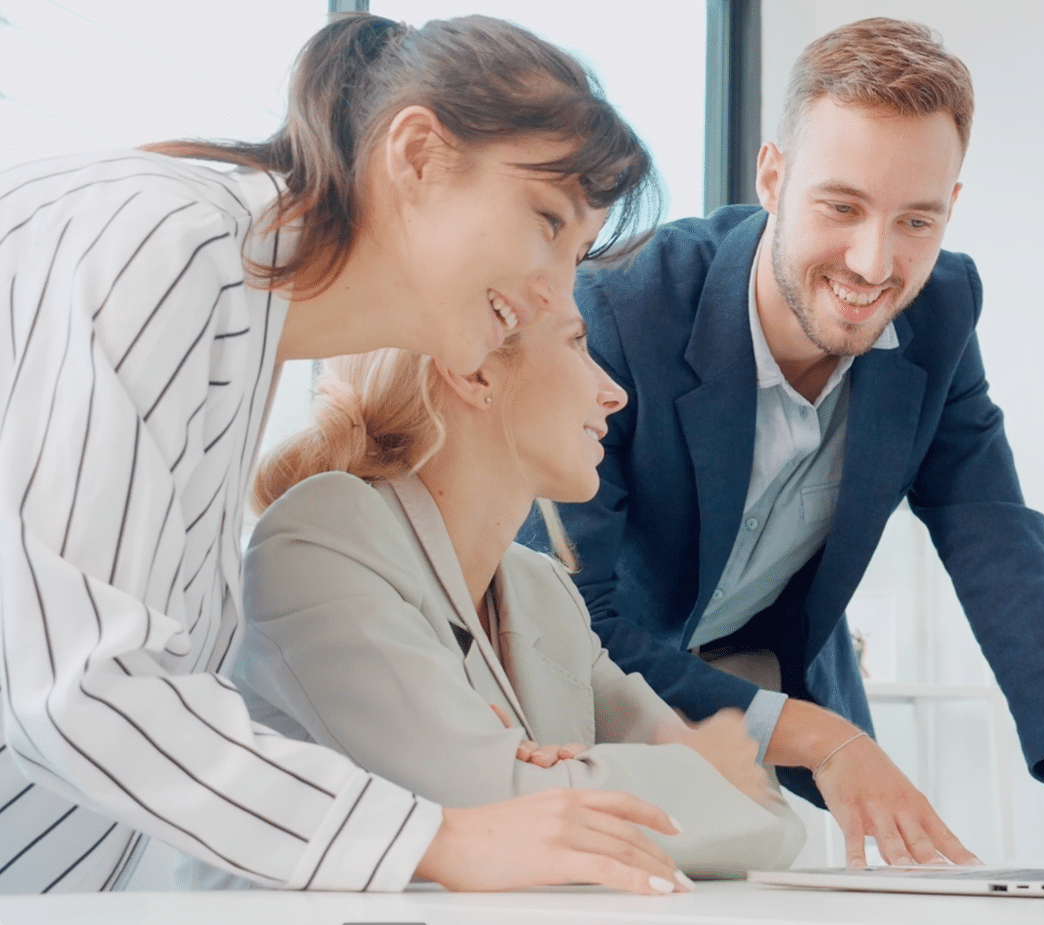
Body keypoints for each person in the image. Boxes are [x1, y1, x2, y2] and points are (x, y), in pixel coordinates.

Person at [517, 17, 1044, 875]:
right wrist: (824, 739)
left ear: (952, 210)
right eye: (842, 205)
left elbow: (996, 539)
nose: (873, 262)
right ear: (773, 177)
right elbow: (572, 624)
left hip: (757, 683)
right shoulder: (623, 309)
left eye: (916, 221)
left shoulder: (937, 312)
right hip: (587, 689)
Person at [0, 13, 697, 896]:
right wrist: (440, 838)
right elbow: (80, 688)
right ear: (416, 155)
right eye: (546, 221)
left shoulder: (233, 324)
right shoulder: (169, 245)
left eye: (578, 251)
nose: (556, 288)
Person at [174, 317, 806, 889]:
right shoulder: (323, 537)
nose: (614, 392)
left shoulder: (543, 590)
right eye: (577, 343)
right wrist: (664, 772)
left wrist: (570, 775)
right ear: (474, 371)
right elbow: (486, 805)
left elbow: (768, 818)